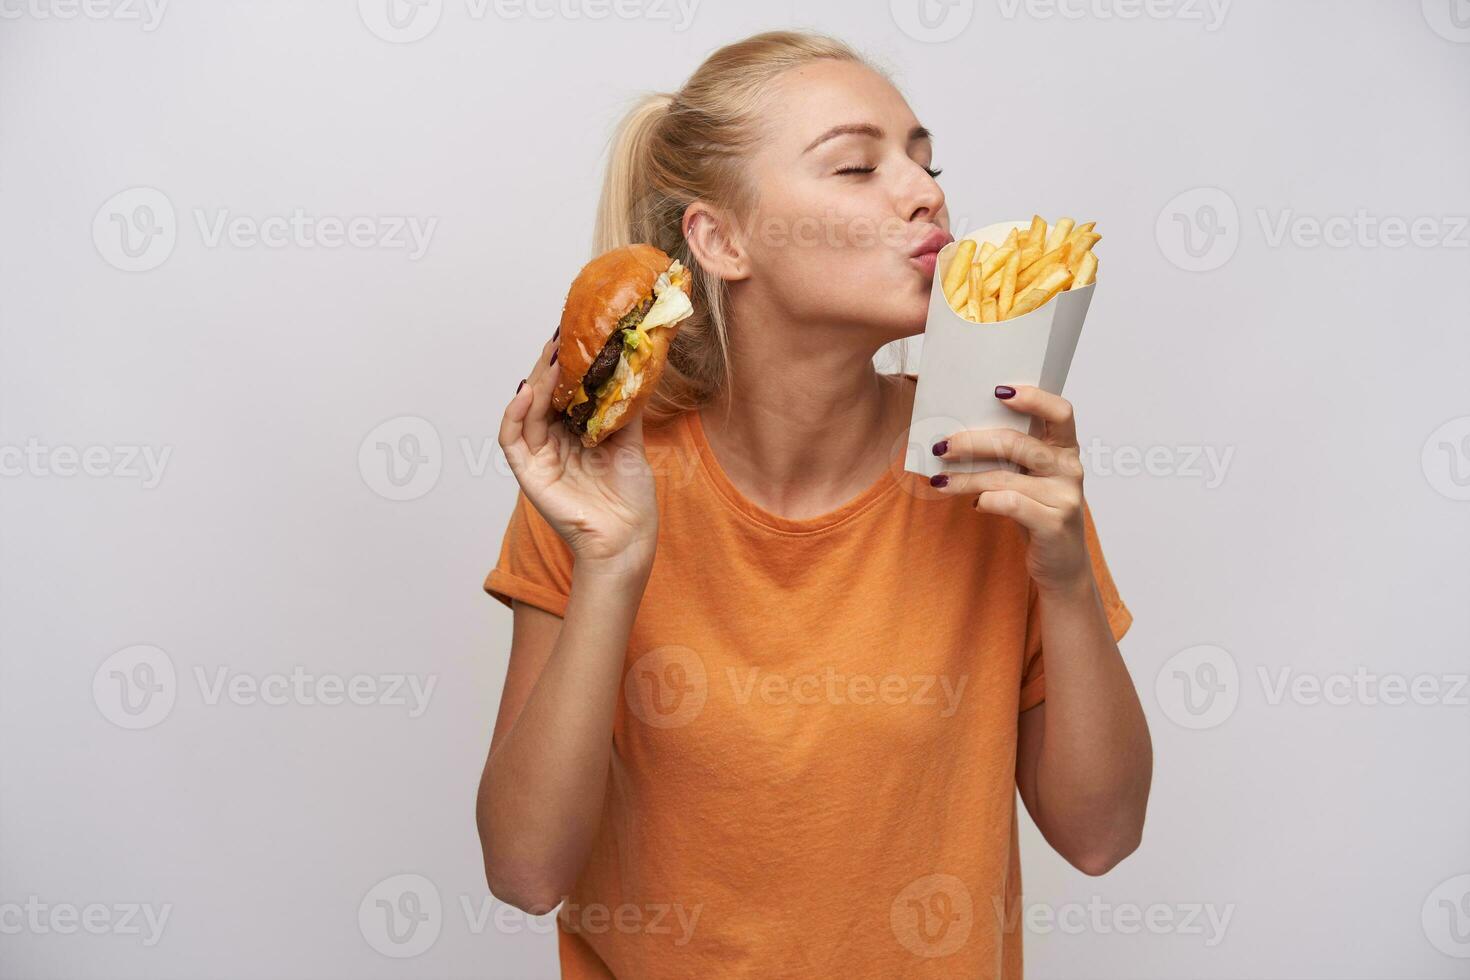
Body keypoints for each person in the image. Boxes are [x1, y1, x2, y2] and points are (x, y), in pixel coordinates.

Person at [476, 30, 1151, 979]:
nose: (926, 192)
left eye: (925, 158)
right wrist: (612, 568)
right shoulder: (600, 487)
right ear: (721, 239)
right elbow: (525, 867)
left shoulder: (995, 472)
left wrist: (1070, 578)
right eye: (855, 166)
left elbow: (1101, 836)